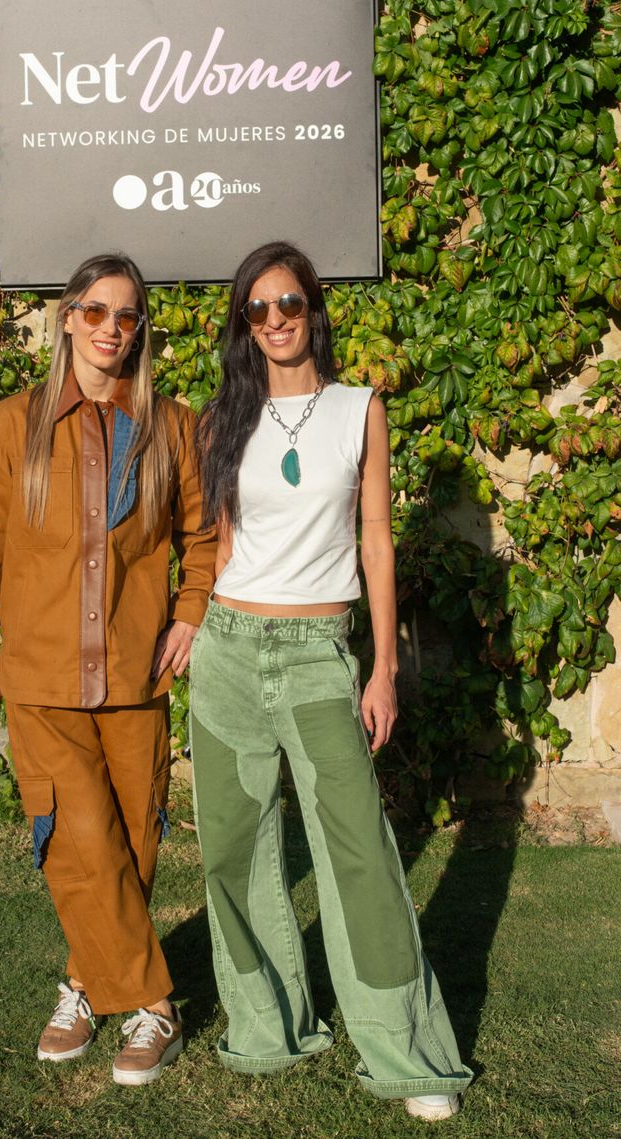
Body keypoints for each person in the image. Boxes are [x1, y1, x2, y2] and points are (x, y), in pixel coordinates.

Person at [190, 241, 472, 1121]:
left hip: (319, 654)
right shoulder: (220, 418)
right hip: (227, 651)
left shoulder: (358, 410)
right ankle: (267, 1026)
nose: (276, 320)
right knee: (233, 852)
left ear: (314, 309)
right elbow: (222, 549)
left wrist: (382, 667)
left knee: (358, 849)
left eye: (291, 304)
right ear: (244, 323)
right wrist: (190, 623)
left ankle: (405, 1051)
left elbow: (376, 541)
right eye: (259, 309)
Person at [0, 252, 215, 1086]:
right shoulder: (12, 425)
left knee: (130, 848)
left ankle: (82, 986)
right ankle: (155, 1007)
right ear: (67, 318)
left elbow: (204, 539)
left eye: (126, 316)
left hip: (135, 675)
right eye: (95, 311)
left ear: (140, 330)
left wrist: (190, 613)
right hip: (40, 675)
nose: (110, 328)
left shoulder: (173, 426)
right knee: (77, 838)